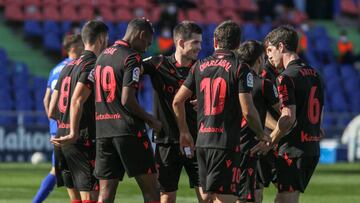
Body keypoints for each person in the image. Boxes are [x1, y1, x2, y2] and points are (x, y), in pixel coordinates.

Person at [172, 20, 269, 203]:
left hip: (202, 141)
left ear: (215, 42)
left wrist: (184, 132)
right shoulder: (241, 68)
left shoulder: (199, 66)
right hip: (225, 143)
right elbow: (248, 111)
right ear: (238, 44)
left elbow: (177, 101)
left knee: (208, 197)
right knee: (226, 198)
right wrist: (261, 134)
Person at [93, 18, 161, 203]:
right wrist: (150, 120)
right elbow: (127, 100)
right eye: (147, 42)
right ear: (140, 35)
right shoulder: (132, 56)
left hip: (103, 131)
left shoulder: (102, 56)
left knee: (105, 193)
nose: (147, 47)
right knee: (152, 191)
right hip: (128, 132)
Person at [142, 21, 210, 203]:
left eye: (200, 42)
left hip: (197, 141)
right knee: (167, 197)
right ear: (180, 43)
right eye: (195, 43)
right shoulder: (158, 63)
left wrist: (204, 101)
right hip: (167, 142)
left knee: (207, 197)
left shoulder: (203, 68)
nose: (200, 47)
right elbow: (127, 69)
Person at [48, 20, 109, 203]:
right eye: (107, 39)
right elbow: (78, 99)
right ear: (101, 39)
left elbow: (52, 110)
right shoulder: (92, 65)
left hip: (61, 138)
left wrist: (66, 125)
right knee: (90, 197)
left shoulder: (66, 67)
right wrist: (75, 131)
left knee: (75, 199)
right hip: (81, 138)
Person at [264, 25, 325, 203]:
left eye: (270, 50)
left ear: (281, 47)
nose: (269, 56)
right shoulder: (316, 74)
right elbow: (320, 110)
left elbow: (288, 117)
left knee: (285, 198)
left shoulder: (285, 77)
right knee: (291, 196)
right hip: (312, 147)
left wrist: (272, 139)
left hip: (293, 148)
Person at [33, 34, 83, 203]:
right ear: (74, 47)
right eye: (81, 44)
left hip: (57, 126)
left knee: (60, 170)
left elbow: (46, 99)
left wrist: (53, 120)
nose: (84, 46)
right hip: (70, 125)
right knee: (66, 171)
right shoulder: (75, 67)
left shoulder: (55, 69)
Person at [235, 40, 280, 203]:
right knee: (245, 195)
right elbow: (285, 112)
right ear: (260, 59)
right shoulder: (263, 84)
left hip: (225, 143)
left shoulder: (229, 79)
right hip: (250, 145)